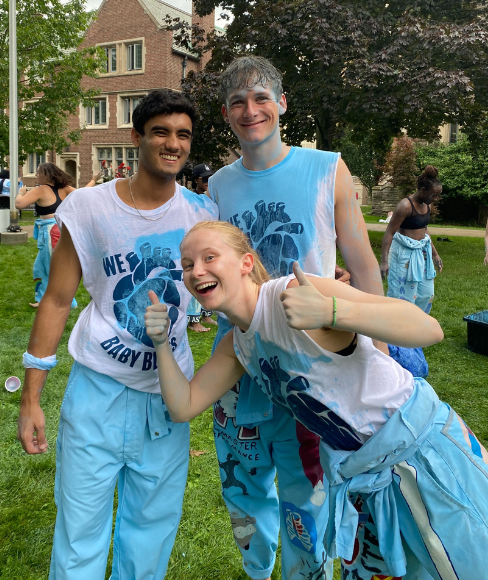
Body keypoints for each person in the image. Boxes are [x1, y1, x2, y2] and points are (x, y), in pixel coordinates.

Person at [145, 220, 488, 580]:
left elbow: (427, 328)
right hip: (364, 481)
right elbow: (183, 405)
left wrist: (331, 312)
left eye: (209, 257)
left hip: (423, 459)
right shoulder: (239, 345)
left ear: (246, 263)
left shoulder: (290, 293)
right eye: (187, 265)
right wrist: (160, 342)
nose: (197, 270)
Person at [16, 89, 218, 579]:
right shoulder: (88, 207)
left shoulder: (202, 213)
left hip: (167, 400)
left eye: (183, 135)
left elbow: (241, 290)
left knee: (149, 540)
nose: (173, 144)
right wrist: (31, 398)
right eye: (161, 132)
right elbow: (58, 299)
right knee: (79, 539)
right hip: (97, 394)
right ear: (136, 137)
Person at [205, 56, 382, 580]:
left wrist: (378, 350)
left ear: (282, 103)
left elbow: (363, 262)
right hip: (239, 363)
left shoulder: (327, 168)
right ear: (225, 113)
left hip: (314, 365)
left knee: (308, 491)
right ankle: (257, 572)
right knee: (244, 488)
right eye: (237, 101)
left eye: (261, 98)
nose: (250, 110)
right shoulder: (217, 185)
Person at [14, 162, 80, 307]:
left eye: (39, 172)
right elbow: (83, 195)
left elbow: (19, 204)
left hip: (51, 232)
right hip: (55, 230)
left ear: (47, 175)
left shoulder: (41, 189)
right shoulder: (64, 188)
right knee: (39, 267)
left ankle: (68, 301)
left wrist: (21, 192)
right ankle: (43, 299)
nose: (36, 175)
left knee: (54, 267)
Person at [380, 165, 443, 314]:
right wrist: (384, 261)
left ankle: (416, 326)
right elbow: (389, 233)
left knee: (426, 294)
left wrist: (435, 254)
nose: (436, 199)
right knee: (403, 297)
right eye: (433, 195)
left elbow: (424, 231)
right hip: (404, 256)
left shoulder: (426, 206)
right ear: (422, 190)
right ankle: (397, 331)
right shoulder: (405, 206)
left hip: (421, 254)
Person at [187, 163, 217, 331]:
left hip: (209, 244)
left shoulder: (212, 198)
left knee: (209, 279)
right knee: (195, 278)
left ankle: (206, 315)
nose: (207, 181)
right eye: (204, 179)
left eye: (210, 178)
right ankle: (194, 320)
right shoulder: (189, 199)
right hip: (193, 244)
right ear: (196, 180)